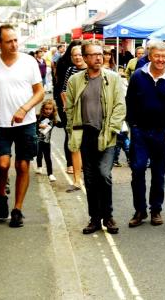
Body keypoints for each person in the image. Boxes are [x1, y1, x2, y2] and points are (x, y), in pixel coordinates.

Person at [0, 24, 45, 228]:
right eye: (9, 41)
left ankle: (17, 209)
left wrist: (24, 109)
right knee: (1, 164)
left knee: (23, 165)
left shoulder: (29, 62)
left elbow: (40, 92)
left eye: (16, 40)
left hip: (25, 122)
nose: (14, 44)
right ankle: (1, 195)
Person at [65, 41, 126, 235]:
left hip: (107, 133)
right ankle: (95, 218)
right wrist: (71, 132)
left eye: (100, 54)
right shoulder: (75, 80)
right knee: (90, 179)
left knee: (103, 174)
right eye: (93, 55)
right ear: (84, 58)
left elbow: (119, 106)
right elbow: (70, 108)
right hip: (85, 134)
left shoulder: (113, 78)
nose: (99, 58)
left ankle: (108, 216)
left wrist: (112, 129)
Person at [126, 40, 165, 227]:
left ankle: (156, 210)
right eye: (157, 56)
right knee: (138, 169)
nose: (161, 60)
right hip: (140, 132)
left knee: (158, 173)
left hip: (162, 133)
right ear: (149, 56)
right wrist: (133, 125)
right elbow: (130, 102)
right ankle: (140, 210)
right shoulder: (138, 76)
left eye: (164, 56)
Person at [53, 40, 81, 174]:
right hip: (64, 102)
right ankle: (70, 163)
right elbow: (61, 86)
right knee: (70, 133)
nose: (78, 57)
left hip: (74, 104)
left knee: (78, 134)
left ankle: (77, 163)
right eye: (75, 54)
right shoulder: (65, 65)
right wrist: (65, 105)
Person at [61, 45, 86, 192]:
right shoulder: (70, 70)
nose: (77, 57)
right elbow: (64, 90)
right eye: (74, 55)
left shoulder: (92, 70)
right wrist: (67, 107)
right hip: (74, 113)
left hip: (89, 114)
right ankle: (77, 180)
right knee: (75, 146)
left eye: (79, 55)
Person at [36, 99, 58, 182]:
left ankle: (50, 174)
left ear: (53, 110)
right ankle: (39, 166)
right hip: (38, 140)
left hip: (46, 142)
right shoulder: (38, 117)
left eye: (50, 109)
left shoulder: (53, 119)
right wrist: (39, 125)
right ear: (43, 109)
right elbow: (34, 125)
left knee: (48, 157)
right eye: (46, 109)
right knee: (39, 154)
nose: (48, 111)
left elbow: (61, 124)